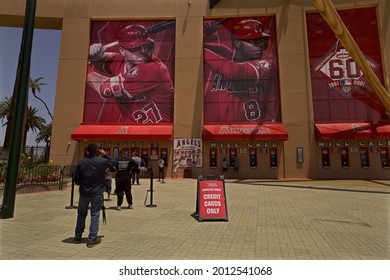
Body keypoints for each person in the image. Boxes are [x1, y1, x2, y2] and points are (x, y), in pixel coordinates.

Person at [87, 24, 174, 123]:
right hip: (133, 132)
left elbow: (103, 89)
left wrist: (81, 67)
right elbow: (101, 60)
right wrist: (94, 55)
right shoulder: (121, 63)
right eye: (135, 47)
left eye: (145, 46)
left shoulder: (154, 69)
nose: (142, 51)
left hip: (161, 132)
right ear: (122, 51)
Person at [203, 18, 280, 123]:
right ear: (237, 44)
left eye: (260, 40)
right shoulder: (226, 54)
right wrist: (202, 32)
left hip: (257, 130)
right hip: (221, 131)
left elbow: (237, 72)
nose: (259, 45)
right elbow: (191, 46)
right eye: (253, 40)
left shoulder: (265, 65)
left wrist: (202, 52)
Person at [73, 143, 115, 248]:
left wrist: (80, 184)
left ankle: (78, 235)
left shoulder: (82, 161)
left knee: (81, 213)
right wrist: (105, 154)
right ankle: (92, 238)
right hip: (97, 192)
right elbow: (113, 162)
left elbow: (76, 177)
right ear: (98, 151)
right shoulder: (101, 161)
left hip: (84, 192)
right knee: (95, 214)